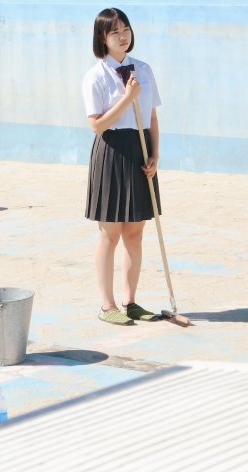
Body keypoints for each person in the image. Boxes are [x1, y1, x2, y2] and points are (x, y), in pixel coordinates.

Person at [82, 8, 162, 326]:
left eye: (125, 28)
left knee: (135, 232)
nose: (122, 35)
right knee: (110, 234)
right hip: (112, 151)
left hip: (141, 149)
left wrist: (155, 154)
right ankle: (107, 305)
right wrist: (128, 98)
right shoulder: (96, 76)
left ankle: (130, 302)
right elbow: (97, 125)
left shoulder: (144, 69)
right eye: (114, 31)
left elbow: (152, 116)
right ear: (102, 37)